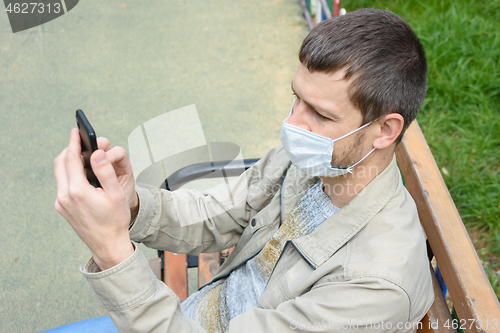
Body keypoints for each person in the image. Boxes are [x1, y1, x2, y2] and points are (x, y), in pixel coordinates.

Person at [53, 8, 434, 333]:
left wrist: (113, 252)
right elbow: (215, 215)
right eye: (296, 98)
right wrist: (131, 204)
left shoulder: (374, 287)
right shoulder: (317, 161)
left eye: (320, 114)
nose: (292, 125)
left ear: (385, 131)